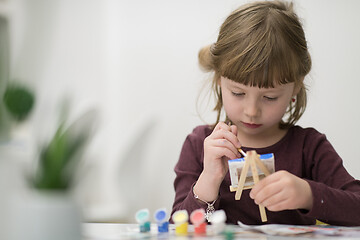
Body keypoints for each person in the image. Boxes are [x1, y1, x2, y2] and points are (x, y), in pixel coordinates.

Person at [171, 0, 360, 226]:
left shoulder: (309, 147)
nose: (251, 111)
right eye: (238, 93)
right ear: (219, 80)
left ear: (296, 87)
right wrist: (208, 180)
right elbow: (178, 228)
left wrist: (308, 194)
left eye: (269, 97)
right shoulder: (200, 145)